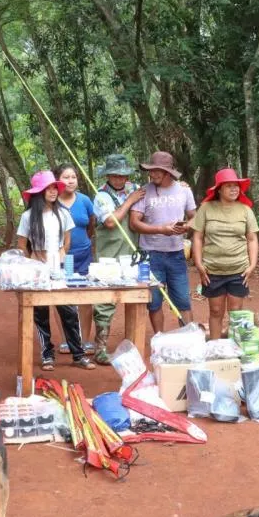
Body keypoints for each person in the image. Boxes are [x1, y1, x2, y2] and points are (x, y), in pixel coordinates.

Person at [16, 170, 96, 371]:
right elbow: (21, 245)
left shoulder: (62, 214)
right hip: (37, 270)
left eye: (54, 188)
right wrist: (32, 262)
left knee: (68, 310)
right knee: (40, 314)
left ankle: (78, 354)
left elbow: (66, 243)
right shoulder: (27, 217)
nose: (52, 192)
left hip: (59, 269)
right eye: (48, 188)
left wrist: (58, 257)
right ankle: (47, 354)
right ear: (38, 193)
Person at [129, 151, 196, 332]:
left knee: (182, 300)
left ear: (169, 172)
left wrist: (186, 227)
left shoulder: (184, 190)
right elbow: (134, 223)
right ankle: (160, 337)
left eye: (159, 171)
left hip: (176, 254)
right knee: (154, 301)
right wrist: (160, 229)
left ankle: (190, 338)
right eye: (152, 170)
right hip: (150, 255)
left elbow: (194, 217)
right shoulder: (144, 192)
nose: (154, 174)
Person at [191, 168, 259, 340]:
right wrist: (199, 264)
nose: (234, 189)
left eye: (236, 186)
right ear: (219, 189)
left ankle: (234, 351)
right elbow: (197, 237)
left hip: (238, 270)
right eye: (229, 186)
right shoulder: (206, 208)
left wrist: (252, 265)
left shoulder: (245, 210)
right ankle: (216, 349)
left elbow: (252, 239)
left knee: (235, 312)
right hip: (212, 270)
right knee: (215, 311)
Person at [91, 154, 145, 364]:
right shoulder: (101, 196)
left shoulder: (135, 189)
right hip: (109, 256)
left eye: (122, 175)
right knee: (105, 301)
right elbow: (111, 222)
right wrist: (130, 201)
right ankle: (100, 347)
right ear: (108, 176)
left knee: (135, 297)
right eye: (114, 175)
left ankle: (134, 344)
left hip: (131, 254)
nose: (119, 179)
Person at [54, 164, 97, 356]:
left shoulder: (85, 200)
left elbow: (91, 224)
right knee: (62, 298)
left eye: (73, 177)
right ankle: (66, 340)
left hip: (83, 255)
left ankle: (85, 339)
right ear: (57, 181)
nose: (70, 180)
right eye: (66, 177)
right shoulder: (52, 201)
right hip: (61, 257)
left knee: (85, 297)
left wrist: (85, 242)